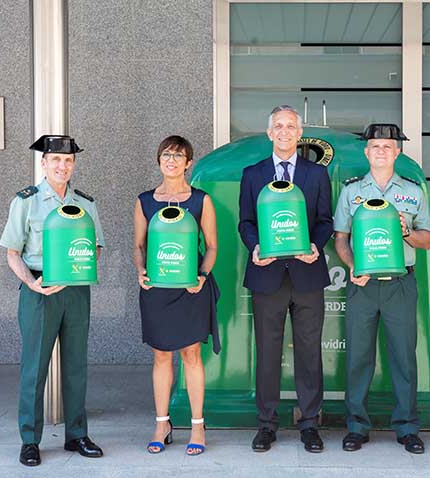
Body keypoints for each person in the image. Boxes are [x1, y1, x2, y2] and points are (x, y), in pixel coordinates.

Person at [0, 135, 105, 466]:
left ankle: (77, 434)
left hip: (75, 291)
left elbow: (97, 246)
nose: (62, 165)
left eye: (69, 160)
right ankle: (30, 440)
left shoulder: (86, 203)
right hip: (39, 290)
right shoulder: (26, 202)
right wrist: (32, 283)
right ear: (43, 163)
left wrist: (79, 266)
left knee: (76, 365)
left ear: (74, 164)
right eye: (55, 160)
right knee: (35, 366)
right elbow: (12, 253)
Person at [333, 124, 430, 454]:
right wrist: (352, 268)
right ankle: (356, 426)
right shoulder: (351, 191)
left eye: (387, 146)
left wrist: (406, 232)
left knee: (404, 356)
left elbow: (428, 240)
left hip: (400, 283)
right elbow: (341, 240)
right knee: (359, 356)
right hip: (363, 284)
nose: (381, 151)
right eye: (375, 146)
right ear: (366, 152)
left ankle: (406, 428)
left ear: (397, 152)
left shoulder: (412, 192)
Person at [238, 105, 333, 453]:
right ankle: (266, 425)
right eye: (278, 125)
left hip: (307, 274)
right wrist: (255, 246)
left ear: (299, 132)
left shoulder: (317, 174)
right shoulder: (252, 174)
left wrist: (315, 244)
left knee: (309, 352)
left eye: (290, 126)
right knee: (267, 352)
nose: (283, 131)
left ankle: (309, 423)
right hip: (267, 275)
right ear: (269, 133)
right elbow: (245, 223)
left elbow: (325, 221)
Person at [133, 135, 220, 456]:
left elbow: (211, 246)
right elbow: (138, 247)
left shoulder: (201, 200)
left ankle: (198, 425)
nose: (171, 160)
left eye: (178, 155)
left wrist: (202, 275)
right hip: (156, 290)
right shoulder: (144, 200)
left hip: (190, 288)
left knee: (191, 355)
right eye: (166, 154)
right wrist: (140, 271)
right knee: (160, 356)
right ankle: (162, 423)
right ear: (159, 160)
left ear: (188, 163)